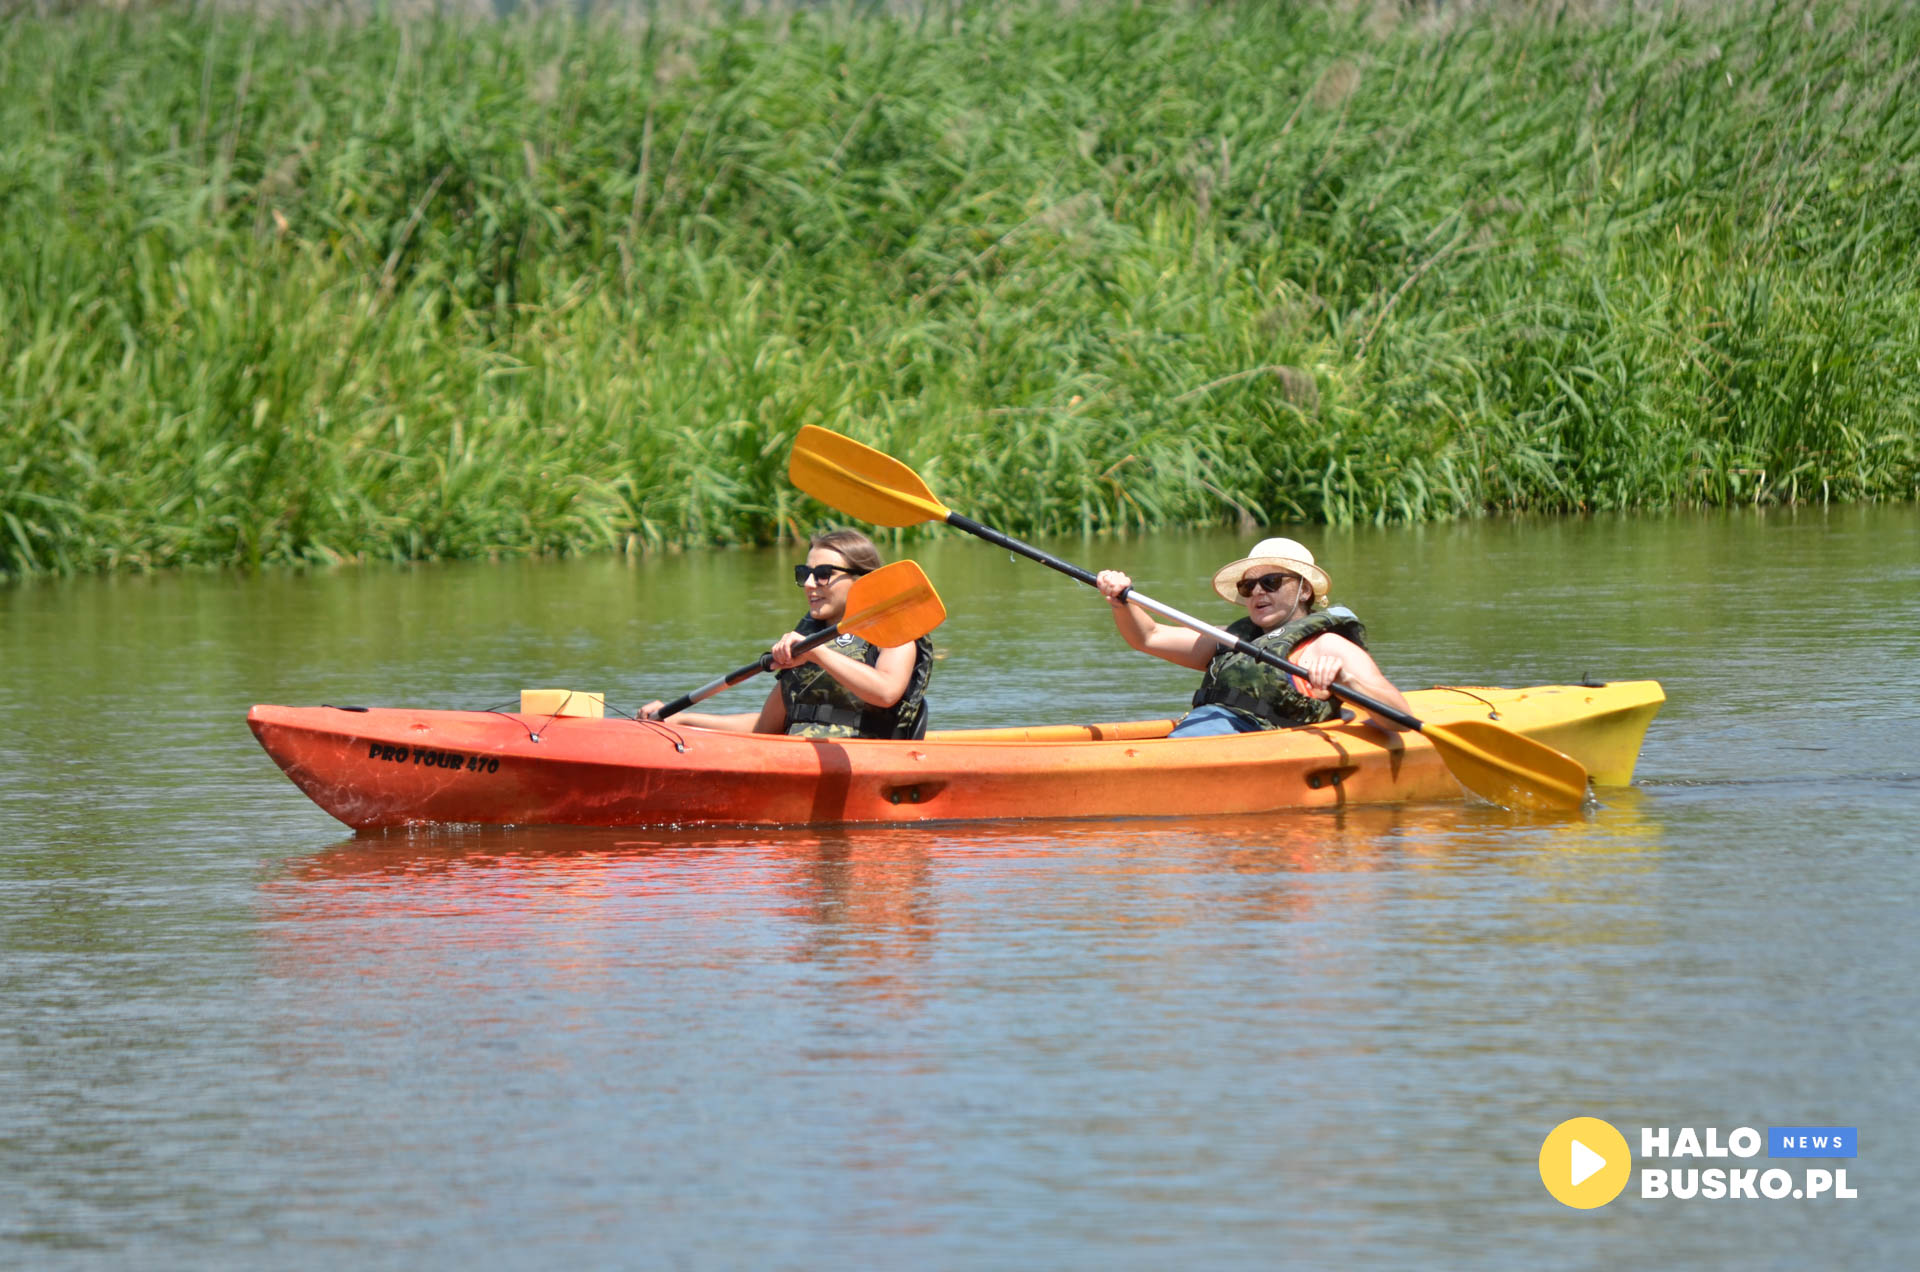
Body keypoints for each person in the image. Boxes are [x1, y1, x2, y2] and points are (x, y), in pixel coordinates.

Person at [1094, 536, 1411, 738]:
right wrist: (1122, 600)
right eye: (1249, 586)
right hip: (1200, 735)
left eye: (1271, 581)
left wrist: (1348, 682)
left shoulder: (1328, 646)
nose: (1257, 591)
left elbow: (1402, 718)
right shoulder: (1228, 639)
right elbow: (1149, 637)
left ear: (1305, 590)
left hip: (1258, 747)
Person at [640, 529, 933, 739]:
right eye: (804, 573)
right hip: (795, 755)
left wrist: (817, 653)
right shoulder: (809, 635)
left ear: (862, 579)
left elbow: (885, 692)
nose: (808, 583)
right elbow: (765, 728)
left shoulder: (895, 631)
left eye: (823, 574)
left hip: (864, 761)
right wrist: (681, 719)